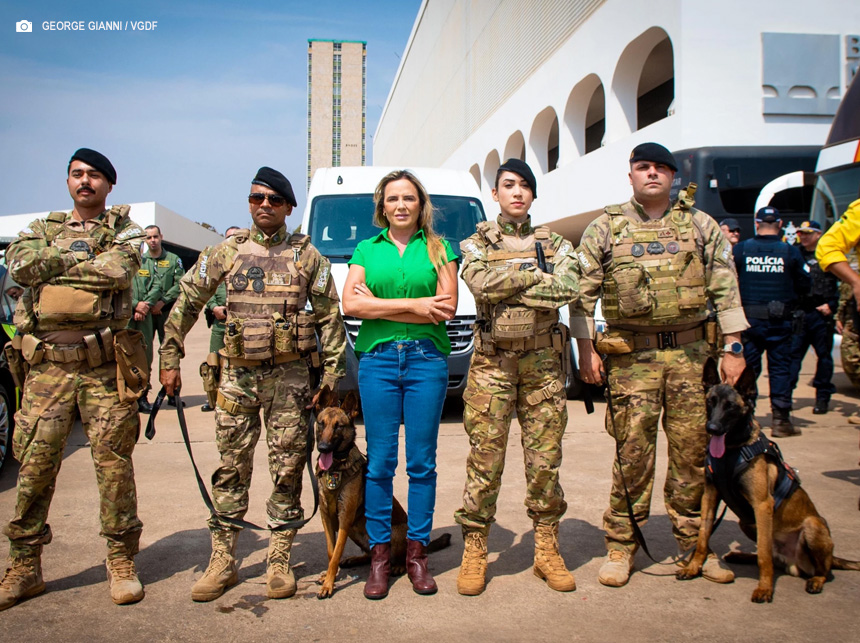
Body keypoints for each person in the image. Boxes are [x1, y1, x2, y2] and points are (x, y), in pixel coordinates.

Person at [159, 167, 345, 602]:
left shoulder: (307, 257)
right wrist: (169, 358)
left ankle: (279, 558)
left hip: (291, 380)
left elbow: (329, 317)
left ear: (289, 208)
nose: (264, 205)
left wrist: (333, 374)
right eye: (257, 198)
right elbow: (186, 302)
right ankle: (222, 558)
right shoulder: (225, 252)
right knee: (231, 468)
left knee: (287, 468)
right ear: (249, 202)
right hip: (237, 378)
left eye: (274, 200)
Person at [572, 142, 746, 588]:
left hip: (692, 359)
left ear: (672, 176)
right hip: (632, 360)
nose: (652, 174)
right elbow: (581, 294)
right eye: (643, 167)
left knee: (692, 455)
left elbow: (724, 284)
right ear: (630, 175)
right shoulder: (604, 228)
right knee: (632, 454)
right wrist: (586, 349)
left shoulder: (698, 223)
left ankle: (695, 546)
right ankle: (620, 546)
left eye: (661, 168)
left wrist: (734, 346)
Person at [0, 149, 147, 610]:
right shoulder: (41, 229)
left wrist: (54, 267)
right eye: (77, 174)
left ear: (109, 184)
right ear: (68, 181)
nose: (85, 182)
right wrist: (79, 264)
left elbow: (118, 270)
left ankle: (121, 561)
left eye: (95, 176)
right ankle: (25, 566)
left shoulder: (125, 231)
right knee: (35, 468)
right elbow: (19, 264)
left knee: (114, 468)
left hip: (103, 369)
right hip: (46, 370)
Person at [454, 158, 579, 596]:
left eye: (525, 186)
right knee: (485, 463)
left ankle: (546, 547)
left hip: (543, 367)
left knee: (544, 462)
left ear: (532, 194)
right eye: (509, 185)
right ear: (495, 194)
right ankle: (475, 547)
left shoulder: (557, 242)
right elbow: (478, 284)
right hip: (492, 367)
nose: (517, 192)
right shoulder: (473, 242)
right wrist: (531, 274)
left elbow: (568, 288)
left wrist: (508, 278)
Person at [341, 169, 458, 599]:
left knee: (421, 463)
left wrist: (380, 307)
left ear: (420, 204)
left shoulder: (441, 248)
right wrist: (413, 305)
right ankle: (379, 558)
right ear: (382, 206)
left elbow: (445, 308)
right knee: (380, 464)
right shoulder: (365, 249)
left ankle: (417, 556)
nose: (401, 205)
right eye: (393, 199)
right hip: (378, 363)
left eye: (409, 198)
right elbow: (351, 303)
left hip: (427, 362)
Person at [734, 206, 810, 437]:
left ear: (756, 224)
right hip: (780, 322)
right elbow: (805, 284)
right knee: (780, 370)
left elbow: (729, 280)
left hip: (749, 322)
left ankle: (746, 418)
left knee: (748, 372)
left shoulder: (741, 250)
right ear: (780, 224)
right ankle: (780, 420)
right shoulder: (789, 251)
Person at [789, 220, 838, 414]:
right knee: (793, 357)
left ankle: (822, 397)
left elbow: (839, 285)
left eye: (809, 233)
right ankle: (785, 396)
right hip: (800, 313)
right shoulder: (794, 254)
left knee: (824, 358)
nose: (804, 236)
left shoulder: (828, 256)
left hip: (821, 315)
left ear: (818, 234)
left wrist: (832, 306)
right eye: (801, 233)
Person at [143, 224, 185, 408]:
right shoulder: (140, 261)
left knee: (169, 351)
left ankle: (172, 394)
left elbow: (179, 284)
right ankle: (142, 396)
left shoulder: (173, 259)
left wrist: (162, 302)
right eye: (148, 237)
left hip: (167, 313)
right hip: (145, 315)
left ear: (161, 237)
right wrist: (148, 305)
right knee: (144, 354)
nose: (152, 240)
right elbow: (136, 286)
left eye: (155, 236)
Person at [200, 226, 241, 412]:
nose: (231, 240)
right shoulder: (216, 263)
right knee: (213, 362)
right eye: (228, 237)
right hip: (219, 322)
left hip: (240, 325)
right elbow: (206, 290)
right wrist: (213, 307)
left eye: (235, 237)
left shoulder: (247, 263)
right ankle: (213, 400)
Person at [128, 242, 162, 413]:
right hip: (125, 317)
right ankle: (125, 396)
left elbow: (157, 286)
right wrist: (135, 305)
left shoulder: (147, 264)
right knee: (124, 356)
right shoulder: (118, 265)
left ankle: (142, 396)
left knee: (145, 355)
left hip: (145, 317)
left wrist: (145, 305)